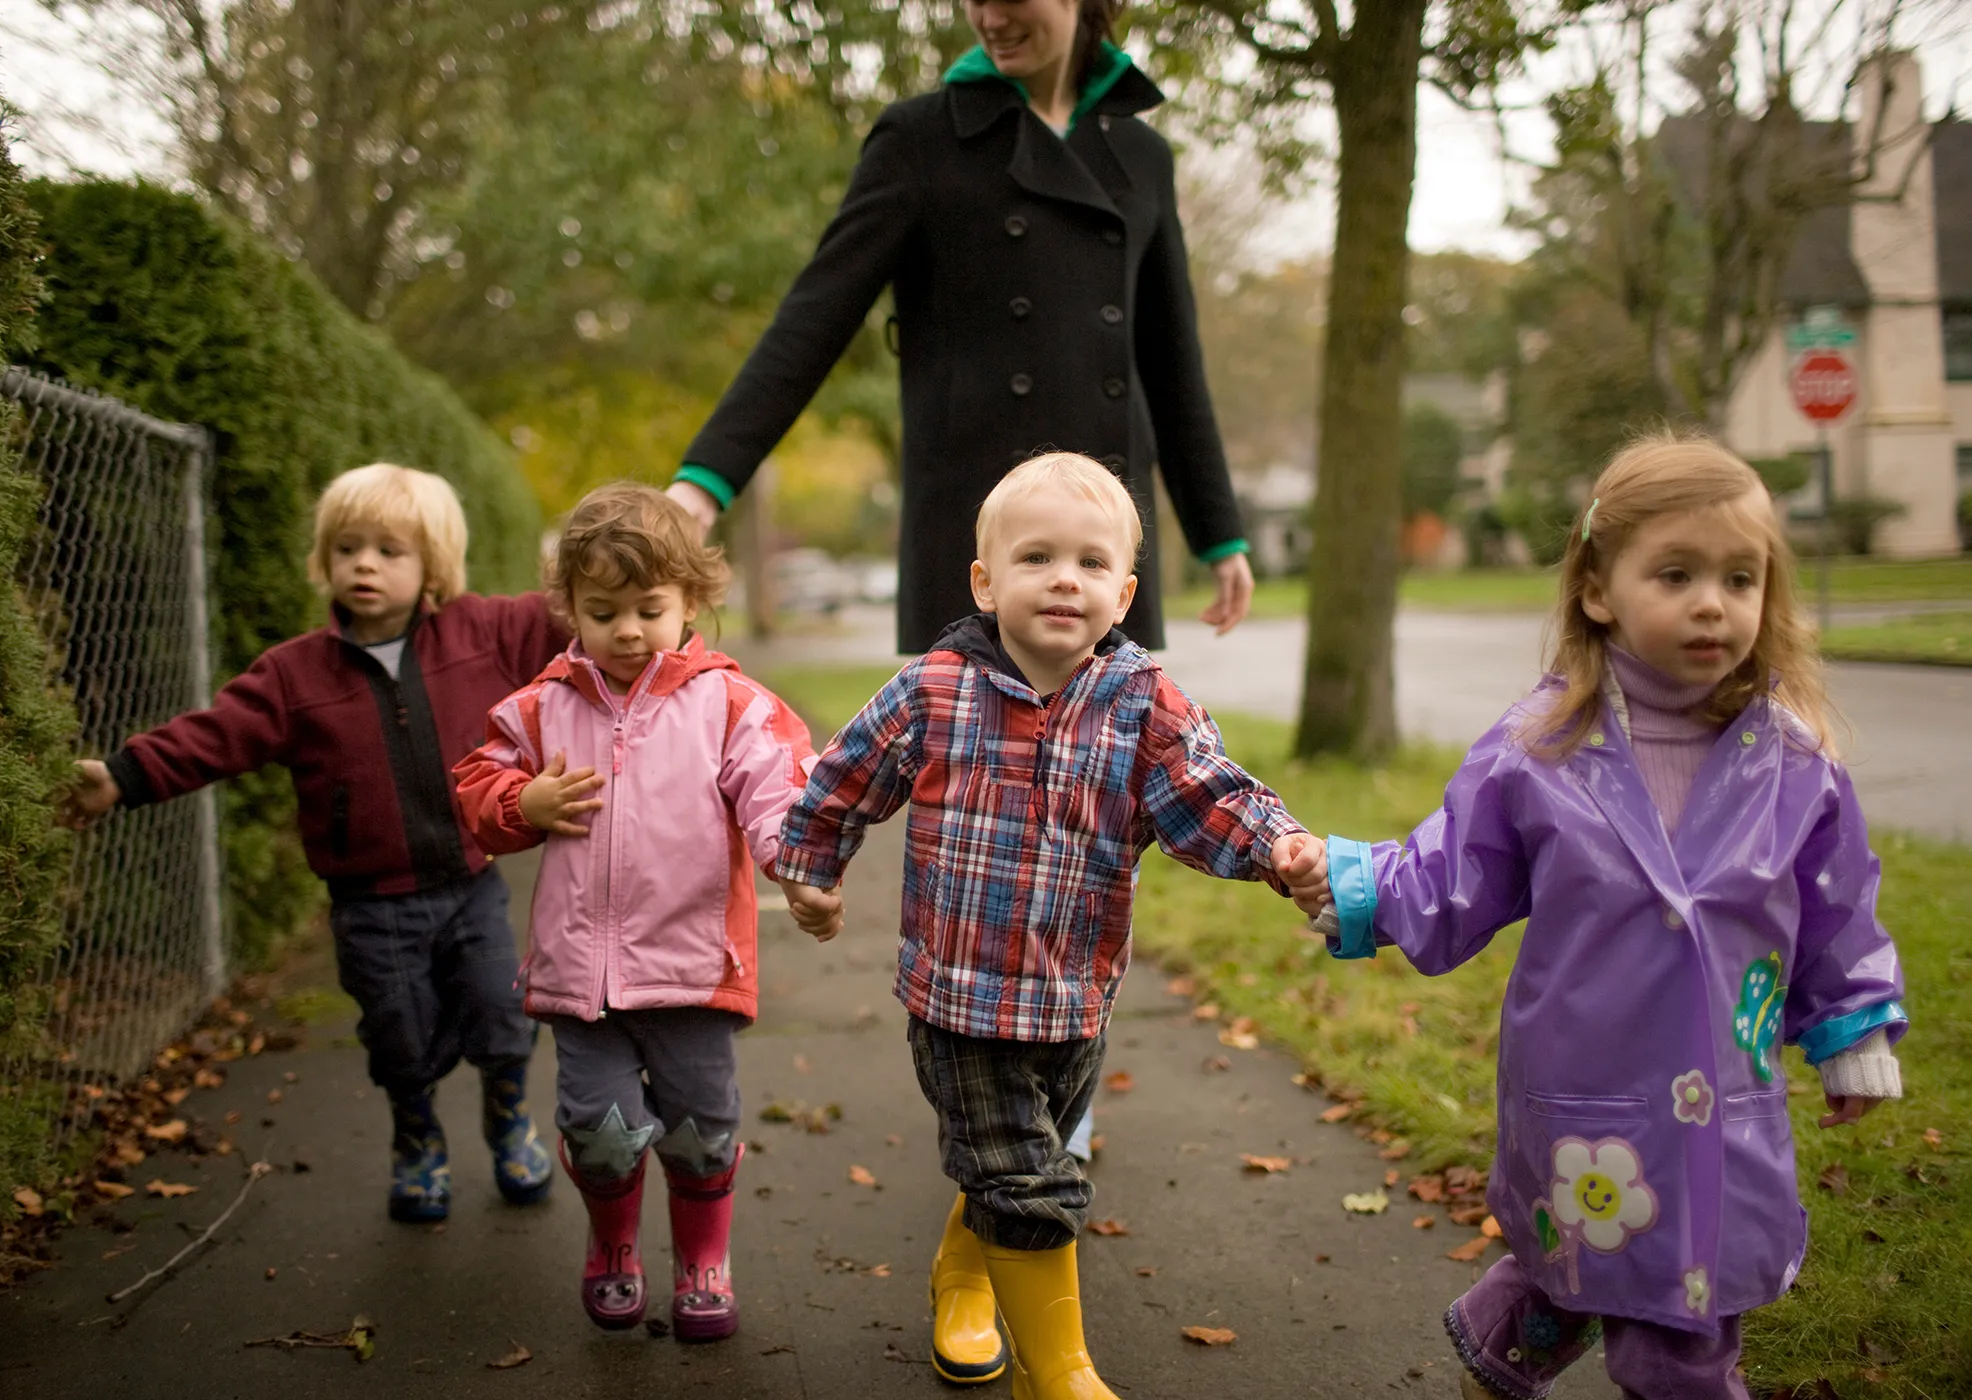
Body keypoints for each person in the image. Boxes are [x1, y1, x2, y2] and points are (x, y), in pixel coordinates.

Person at [1293, 434, 1908, 1400]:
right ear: (1597, 587)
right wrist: (1359, 892)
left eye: (1740, 578)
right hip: (1585, 1084)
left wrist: (1854, 1020)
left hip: (1726, 1094)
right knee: (1593, 1245)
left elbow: (1837, 906)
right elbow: (1456, 868)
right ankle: (1520, 1343)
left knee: (1669, 1288)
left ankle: (1504, 1354)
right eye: (1676, 573)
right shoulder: (1541, 750)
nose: (1713, 602)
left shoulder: (1795, 764)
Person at [770, 455, 1328, 1397]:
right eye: (1036, 557)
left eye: (1090, 563)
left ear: (1125, 593)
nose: (1064, 578)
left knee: (1014, 1166)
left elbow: (1206, 795)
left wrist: (1279, 847)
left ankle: (963, 1278)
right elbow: (841, 781)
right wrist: (811, 872)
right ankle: (1060, 1374)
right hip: (959, 1001)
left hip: (1076, 999)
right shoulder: (935, 690)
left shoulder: (1144, 704)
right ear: (986, 581)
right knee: (1031, 1182)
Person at [58, 464, 572, 1224]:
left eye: (390, 551)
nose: (365, 564)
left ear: (434, 567)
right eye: (348, 548)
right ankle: (418, 1140)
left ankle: (508, 1121)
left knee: (504, 1013)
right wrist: (124, 776)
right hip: (371, 905)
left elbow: (579, 612)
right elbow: (216, 736)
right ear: (325, 560)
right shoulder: (295, 674)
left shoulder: (485, 633)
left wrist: (641, 563)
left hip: (470, 885)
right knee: (399, 1034)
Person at [666, 0, 1257, 651]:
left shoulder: (1143, 155)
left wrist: (1217, 532)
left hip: (1098, 538)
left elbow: (1171, 360)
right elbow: (815, 317)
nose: (990, 18)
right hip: (976, 534)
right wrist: (705, 482)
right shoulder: (920, 139)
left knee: (1105, 749)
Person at [451, 484, 815, 1342]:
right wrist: (521, 802)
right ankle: (613, 1245)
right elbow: (477, 784)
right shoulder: (543, 706)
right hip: (584, 979)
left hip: (691, 970)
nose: (626, 630)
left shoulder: (727, 704)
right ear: (568, 608)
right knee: (601, 1135)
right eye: (601, 610)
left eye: (649, 609)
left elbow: (780, 785)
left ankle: (702, 1262)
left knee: (698, 1134)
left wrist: (793, 864)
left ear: (691, 600)